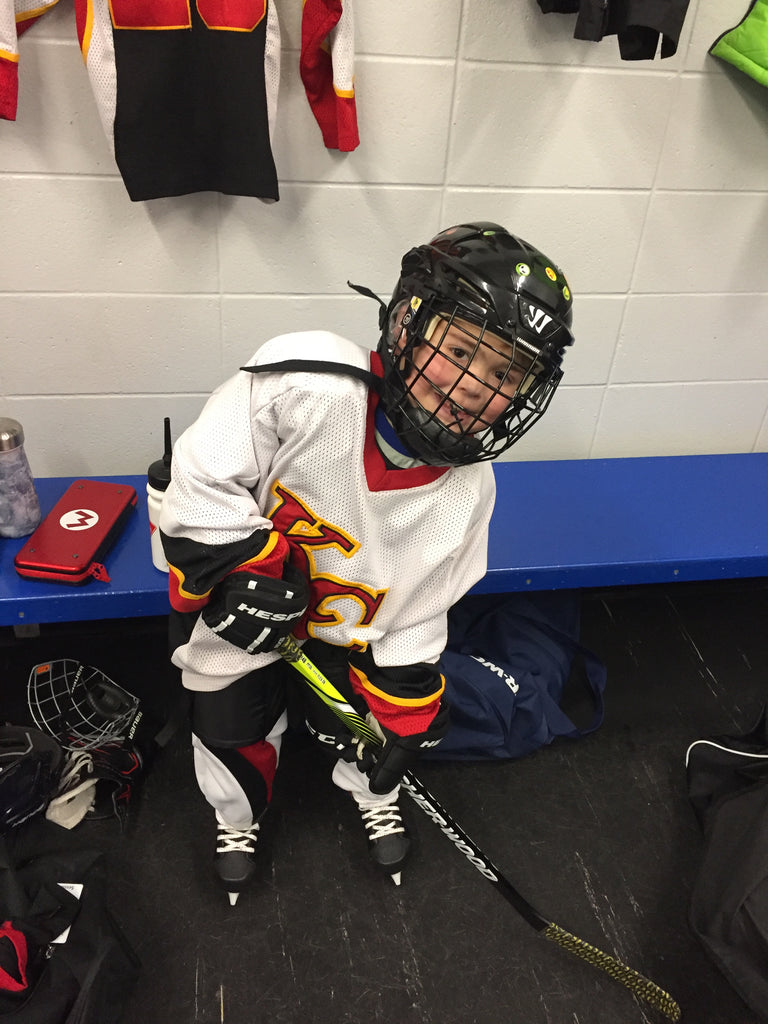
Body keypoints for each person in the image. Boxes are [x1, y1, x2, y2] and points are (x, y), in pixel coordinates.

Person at [158, 221, 575, 903]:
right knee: (230, 728)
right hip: (244, 612)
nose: (475, 385)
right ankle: (239, 816)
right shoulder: (308, 383)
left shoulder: (469, 489)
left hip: (353, 635)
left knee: (376, 738)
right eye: (464, 349)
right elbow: (200, 480)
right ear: (408, 323)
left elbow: (422, 605)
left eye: (506, 373)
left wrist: (405, 699)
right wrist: (242, 564)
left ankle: (370, 792)